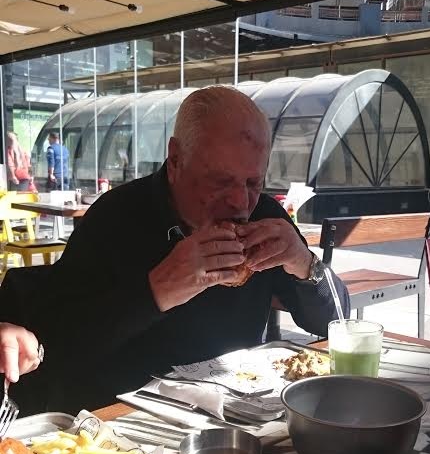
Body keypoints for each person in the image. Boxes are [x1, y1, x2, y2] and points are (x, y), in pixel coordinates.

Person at [2, 87, 349, 415]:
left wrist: (307, 267)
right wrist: (156, 292)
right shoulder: (115, 218)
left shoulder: (267, 218)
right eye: (220, 181)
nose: (240, 203)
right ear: (175, 160)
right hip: (128, 419)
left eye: (253, 183)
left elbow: (339, 324)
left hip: (241, 408)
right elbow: (56, 346)